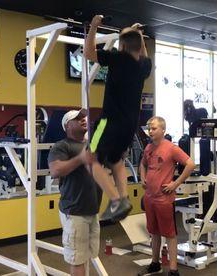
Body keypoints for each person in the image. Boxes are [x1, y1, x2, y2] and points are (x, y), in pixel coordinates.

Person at [83, 15, 153, 221]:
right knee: (116, 160)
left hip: (107, 123)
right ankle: (123, 197)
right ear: (139, 47)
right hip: (130, 127)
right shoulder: (143, 67)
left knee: (90, 158)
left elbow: (88, 53)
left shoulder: (116, 58)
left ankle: (115, 200)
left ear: (121, 45)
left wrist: (94, 26)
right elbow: (143, 55)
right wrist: (138, 33)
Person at [138, 116, 195, 276]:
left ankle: (173, 270)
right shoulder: (148, 148)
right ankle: (155, 263)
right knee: (154, 232)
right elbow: (143, 164)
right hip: (149, 197)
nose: (150, 131)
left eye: (154, 128)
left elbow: (191, 164)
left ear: (163, 130)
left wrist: (175, 184)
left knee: (169, 234)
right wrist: (142, 177)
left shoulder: (171, 148)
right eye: (149, 128)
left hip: (164, 199)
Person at [48, 109, 102, 276]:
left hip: (92, 210)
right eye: (77, 118)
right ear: (67, 125)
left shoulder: (91, 145)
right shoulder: (62, 146)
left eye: (83, 117)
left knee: (87, 255)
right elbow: (55, 170)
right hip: (75, 211)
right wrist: (80, 159)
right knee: (77, 259)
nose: (83, 120)